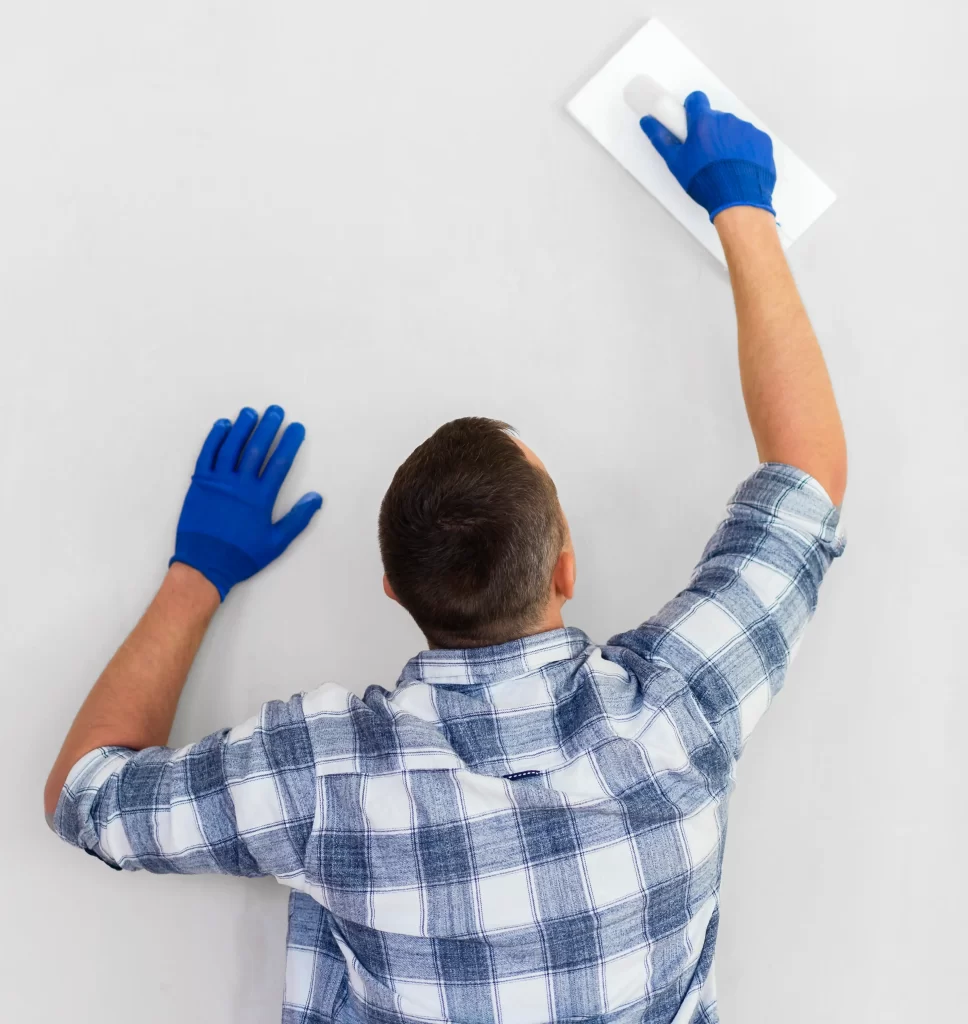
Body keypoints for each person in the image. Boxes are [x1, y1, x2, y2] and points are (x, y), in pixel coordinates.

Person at [45, 92, 846, 1024]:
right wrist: (740, 204)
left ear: (393, 588)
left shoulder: (324, 776)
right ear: (564, 569)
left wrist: (197, 575)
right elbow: (808, 474)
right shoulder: (675, 713)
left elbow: (86, 798)